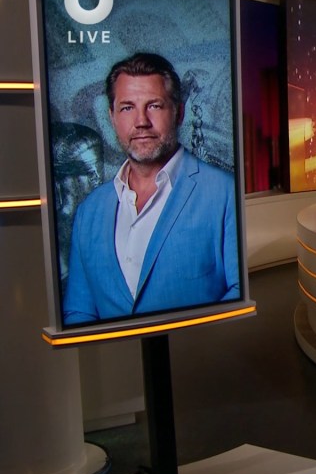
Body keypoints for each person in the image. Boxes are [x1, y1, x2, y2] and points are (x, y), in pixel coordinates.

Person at [62, 52, 240, 326]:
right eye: (127, 108)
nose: (141, 121)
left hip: (200, 352)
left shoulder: (225, 193)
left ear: (179, 113)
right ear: (112, 117)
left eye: (154, 106)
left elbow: (239, 292)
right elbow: (79, 312)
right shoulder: (89, 211)